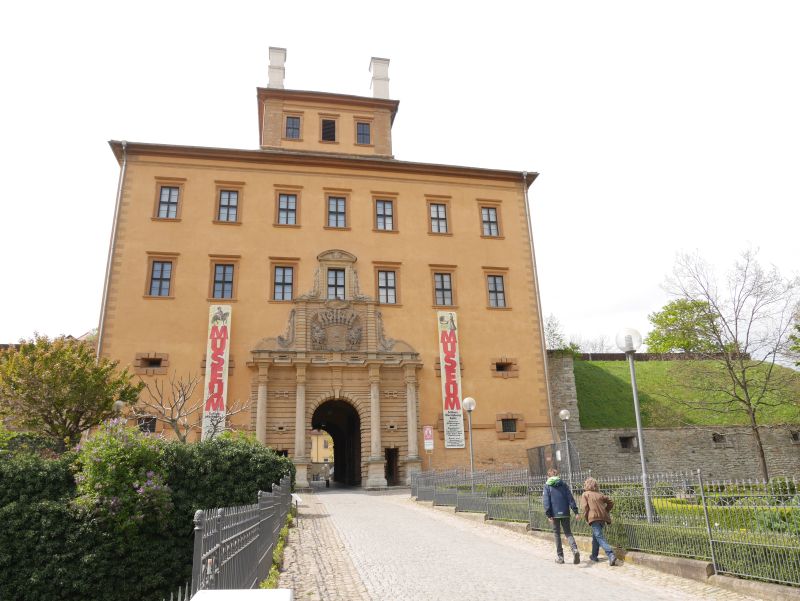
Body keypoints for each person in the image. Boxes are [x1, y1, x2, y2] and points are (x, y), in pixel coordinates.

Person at [542, 467, 580, 564]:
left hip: (554, 514)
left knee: (557, 534)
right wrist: (575, 512)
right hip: (565, 513)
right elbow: (570, 498)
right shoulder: (563, 484)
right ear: (557, 475)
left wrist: (548, 514)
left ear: (548, 476)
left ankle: (560, 557)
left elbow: (546, 502)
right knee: (568, 533)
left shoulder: (547, 486)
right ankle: (575, 549)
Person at [579, 477, 617, 566]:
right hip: (602, 518)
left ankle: (610, 554)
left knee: (599, 537)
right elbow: (611, 502)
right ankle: (594, 555)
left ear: (586, 485)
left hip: (594, 518)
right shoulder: (600, 494)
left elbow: (585, 508)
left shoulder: (585, 494)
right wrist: (606, 511)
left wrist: (586, 518)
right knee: (596, 537)